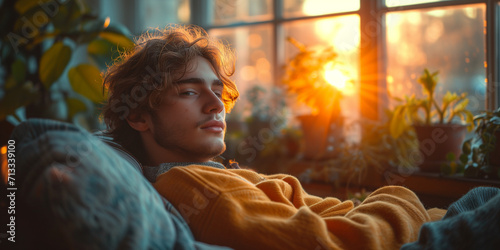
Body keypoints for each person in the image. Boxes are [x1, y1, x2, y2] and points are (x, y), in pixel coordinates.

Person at [101, 24, 446, 249]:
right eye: (189, 93)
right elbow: (333, 244)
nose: (215, 105)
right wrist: (401, 197)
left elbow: (335, 211)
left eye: (217, 91)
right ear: (137, 116)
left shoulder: (220, 176)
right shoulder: (192, 184)